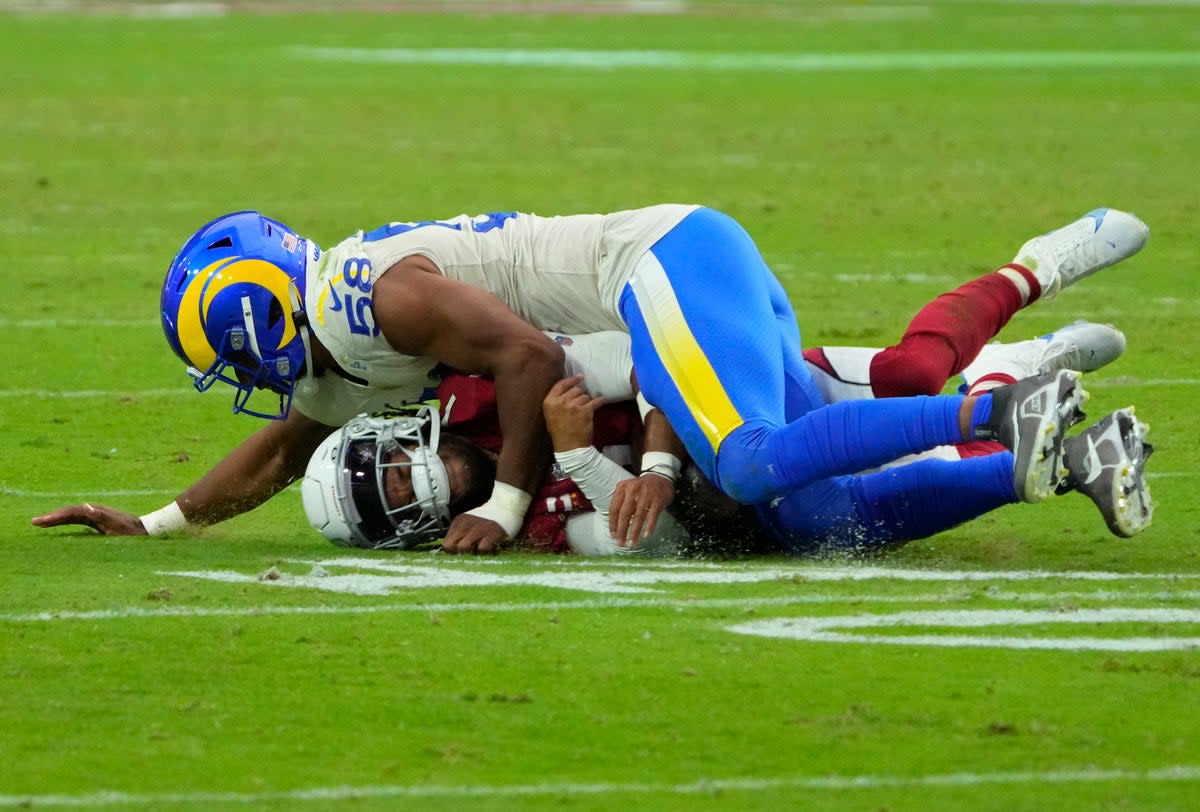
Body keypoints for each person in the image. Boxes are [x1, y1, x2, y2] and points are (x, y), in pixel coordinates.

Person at [33, 204, 1151, 551]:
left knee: (758, 459)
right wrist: (158, 524)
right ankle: (1041, 452)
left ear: (261, 321)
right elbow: (284, 448)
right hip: (659, 317)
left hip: (659, 274)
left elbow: (539, 358)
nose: (407, 485)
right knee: (808, 515)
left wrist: (531, 485)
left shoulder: (373, 302)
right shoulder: (345, 348)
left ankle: (999, 398)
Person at [302, 312, 1151, 558]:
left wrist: (654, 460)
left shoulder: (495, 391)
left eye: (391, 469)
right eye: (395, 504)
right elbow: (652, 542)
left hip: (730, 376)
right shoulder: (523, 537)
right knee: (814, 519)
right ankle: (1060, 445)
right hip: (742, 467)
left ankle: (1013, 350)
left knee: (908, 377)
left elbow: (650, 360)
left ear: (396, 430)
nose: (417, 482)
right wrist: (575, 457)